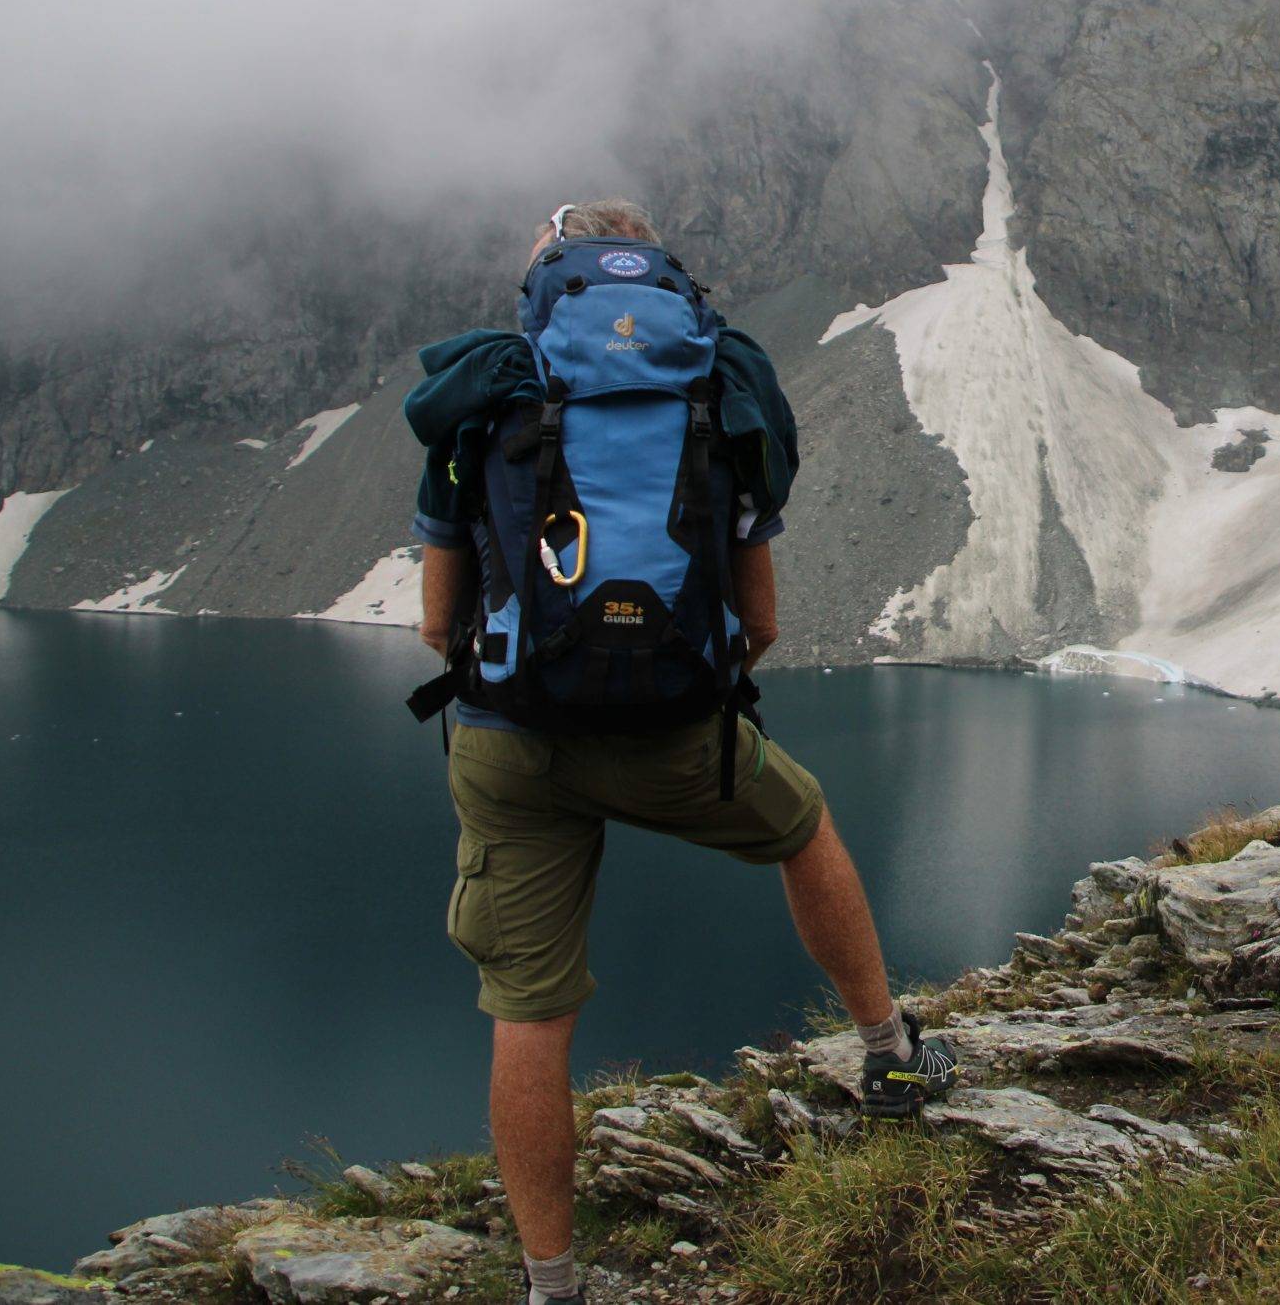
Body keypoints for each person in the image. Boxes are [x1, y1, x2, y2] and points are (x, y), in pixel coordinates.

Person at [408, 198, 955, 1305]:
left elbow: (433, 623)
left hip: (512, 741)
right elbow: (759, 620)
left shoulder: (490, 386)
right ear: (659, 270)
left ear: (546, 275)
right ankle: (890, 1052)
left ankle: (552, 1285)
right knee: (802, 828)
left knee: (531, 1013)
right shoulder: (715, 388)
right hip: (674, 735)